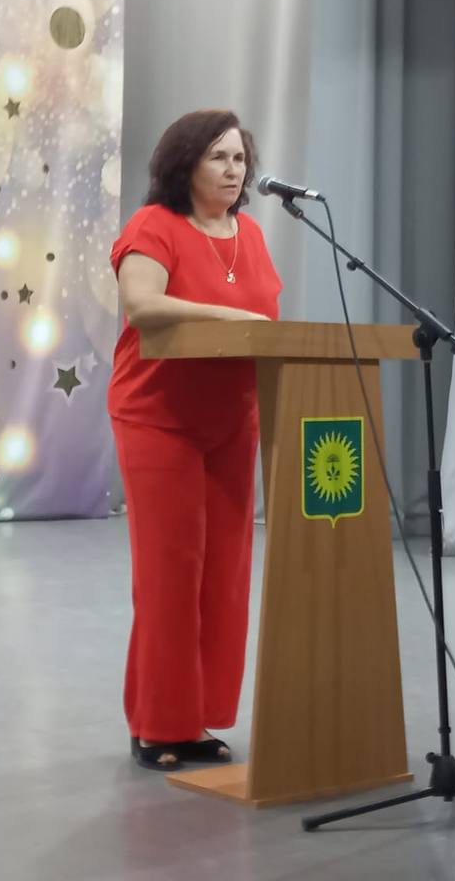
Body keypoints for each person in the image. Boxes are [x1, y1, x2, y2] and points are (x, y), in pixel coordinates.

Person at [108, 110, 283, 771]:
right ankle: (159, 725)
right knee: (170, 573)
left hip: (233, 419)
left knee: (224, 576)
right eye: (218, 157)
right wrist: (226, 315)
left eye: (239, 158)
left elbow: (268, 322)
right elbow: (143, 305)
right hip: (159, 416)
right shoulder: (154, 226)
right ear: (185, 164)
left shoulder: (252, 235)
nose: (233, 170)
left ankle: (196, 719)